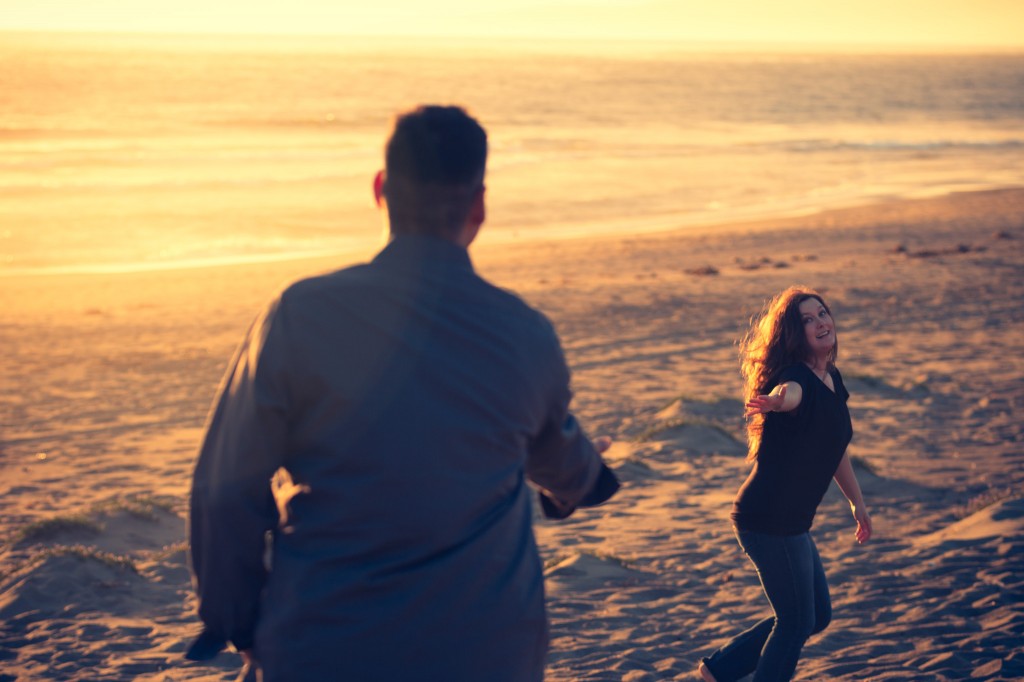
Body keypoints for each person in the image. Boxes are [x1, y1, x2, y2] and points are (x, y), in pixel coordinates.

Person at [186, 104, 619, 681]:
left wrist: (238, 622)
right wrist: (585, 482)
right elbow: (570, 471)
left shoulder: (300, 315)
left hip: (324, 647)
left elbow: (224, 492)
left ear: (380, 189)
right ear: (479, 205)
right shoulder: (524, 334)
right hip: (485, 655)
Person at [697, 286, 871, 682]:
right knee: (795, 622)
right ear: (795, 335)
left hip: (791, 521)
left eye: (822, 313)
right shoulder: (794, 378)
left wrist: (856, 503)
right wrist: (775, 401)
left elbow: (835, 448)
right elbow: (788, 394)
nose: (819, 323)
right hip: (767, 518)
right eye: (806, 320)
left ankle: (719, 669)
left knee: (816, 615)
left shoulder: (830, 378)